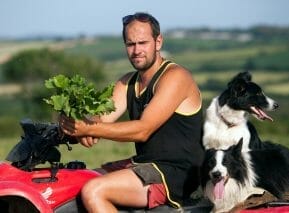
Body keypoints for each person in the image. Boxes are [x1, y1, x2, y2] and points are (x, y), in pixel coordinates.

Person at [59, 12, 204, 212]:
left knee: (94, 190)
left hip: (177, 174)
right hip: (145, 165)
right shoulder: (127, 82)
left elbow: (142, 130)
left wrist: (91, 129)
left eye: (143, 43)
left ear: (158, 41)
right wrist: (73, 125)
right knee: (81, 178)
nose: (136, 50)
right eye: (130, 44)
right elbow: (100, 119)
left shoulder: (175, 77)